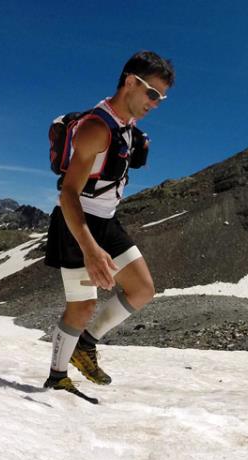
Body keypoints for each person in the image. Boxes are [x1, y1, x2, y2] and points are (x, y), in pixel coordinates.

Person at [43, 50, 174, 396]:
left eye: (161, 98)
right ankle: (56, 377)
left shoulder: (126, 128)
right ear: (130, 82)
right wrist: (90, 249)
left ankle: (85, 346)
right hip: (76, 223)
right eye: (153, 93)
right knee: (83, 305)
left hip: (107, 221)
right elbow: (68, 193)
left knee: (143, 289)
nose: (156, 103)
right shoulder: (96, 128)